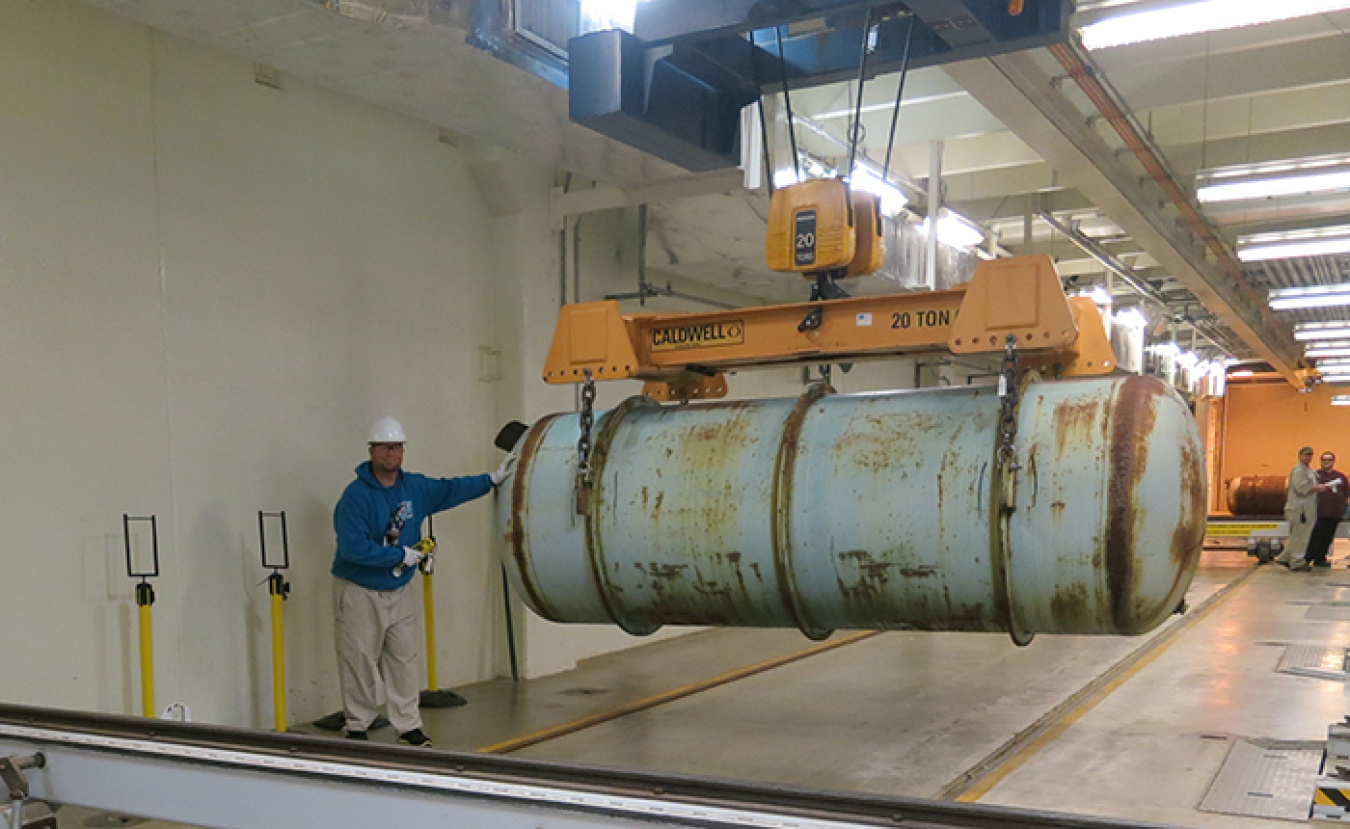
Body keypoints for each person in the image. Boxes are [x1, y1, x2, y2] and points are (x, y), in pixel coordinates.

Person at [331, 416, 516, 746]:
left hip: (399, 589)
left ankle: (408, 726)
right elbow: (353, 548)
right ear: (372, 451)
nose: (393, 453)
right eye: (387, 447)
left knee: (403, 660)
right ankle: (358, 724)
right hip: (360, 591)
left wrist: (491, 479)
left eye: (398, 447)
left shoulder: (414, 487)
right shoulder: (355, 497)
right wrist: (399, 556)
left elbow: (450, 489)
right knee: (359, 660)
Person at [1275, 446, 1327, 572]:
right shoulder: (1298, 471)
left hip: (1306, 509)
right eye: (1305, 455)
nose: (1308, 457)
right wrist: (1317, 488)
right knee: (1300, 536)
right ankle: (1297, 561)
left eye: (1310, 455)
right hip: (1299, 510)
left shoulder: (1309, 470)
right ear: (1300, 456)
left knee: (1298, 535)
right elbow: (1301, 489)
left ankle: (1285, 557)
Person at [1306, 451, 1349, 568]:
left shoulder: (1340, 476)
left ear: (1333, 462)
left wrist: (1342, 508)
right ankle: (1308, 558)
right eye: (1324, 460)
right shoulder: (1315, 475)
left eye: (1329, 460)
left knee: (1327, 537)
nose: (1327, 462)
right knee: (1316, 537)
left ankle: (1320, 558)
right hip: (1320, 512)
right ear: (1321, 461)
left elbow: (1345, 493)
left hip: (1335, 513)